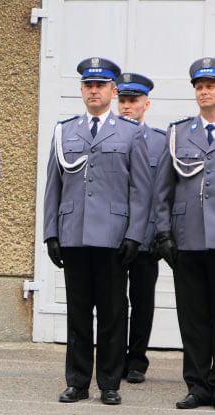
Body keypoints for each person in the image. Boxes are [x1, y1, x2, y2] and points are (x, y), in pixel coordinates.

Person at [44, 57, 151, 405]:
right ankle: (76, 382)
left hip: (113, 236)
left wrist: (135, 235)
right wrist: (51, 233)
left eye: (100, 85)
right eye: (88, 85)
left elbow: (140, 189)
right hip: (73, 233)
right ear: (81, 90)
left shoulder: (131, 132)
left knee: (111, 313)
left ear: (112, 90)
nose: (94, 91)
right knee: (77, 314)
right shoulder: (65, 131)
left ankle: (109, 383)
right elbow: (53, 188)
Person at [154, 57, 215, 410]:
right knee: (192, 317)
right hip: (188, 240)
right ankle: (197, 385)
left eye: (209, 86)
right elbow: (163, 189)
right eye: (199, 86)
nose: (204, 91)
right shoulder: (178, 134)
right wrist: (164, 234)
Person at [115, 72, 166, 384]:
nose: (126, 106)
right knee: (113, 302)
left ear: (146, 104)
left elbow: (165, 194)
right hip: (113, 236)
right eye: (122, 100)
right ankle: (114, 356)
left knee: (142, 301)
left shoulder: (160, 142)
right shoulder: (107, 137)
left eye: (132, 100)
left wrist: (163, 232)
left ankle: (137, 360)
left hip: (145, 238)